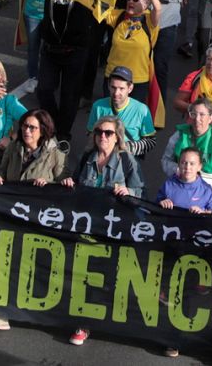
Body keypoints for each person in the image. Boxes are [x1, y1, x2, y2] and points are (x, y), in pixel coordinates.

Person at [64, 115, 143, 347]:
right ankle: (83, 323)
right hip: (87, 228)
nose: (103, 137)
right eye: (99, 132)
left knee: (109, 277)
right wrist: (70, 184)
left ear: (117, 136)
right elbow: (76, 185)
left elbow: (141, 193)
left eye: (108, 133)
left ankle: (108, 321)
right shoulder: (87, 158)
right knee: (85, 275)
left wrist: (128, 191)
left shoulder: (127, 160)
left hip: (113, 229)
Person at [161, 98, 212, 192]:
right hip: (181, 183)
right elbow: (166, 160)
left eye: (202, 115)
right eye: (193, 114)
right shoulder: (179, 135)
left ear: (210, 118)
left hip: (210, 189)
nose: (197, 119)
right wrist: (178, 170)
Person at [87, 67, 157, 156]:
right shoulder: (98, 106)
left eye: (121, 88)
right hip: (102, 157)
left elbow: (151, 141)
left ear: (130, 88)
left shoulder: (142, 110)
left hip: (127, 160)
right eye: (113, 87)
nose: (116, 93)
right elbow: (90, 133)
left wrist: (125, 148)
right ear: (108, 86)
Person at [0, 108, 67, 186]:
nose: (26, 131)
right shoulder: (12, 146)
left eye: (32, 127)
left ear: (42, 131)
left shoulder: (55, 153)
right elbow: (2, 170)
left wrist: (48, 184)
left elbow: (63, 183)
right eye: (25, 126)